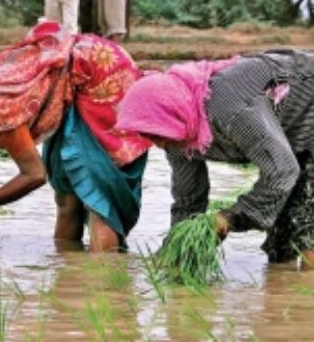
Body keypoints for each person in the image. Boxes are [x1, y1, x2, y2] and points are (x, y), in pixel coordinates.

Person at [0, 21, 150, 252]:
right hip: (67, 83)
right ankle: (70, 278)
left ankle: (103, 284)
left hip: (100, 74)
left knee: (97, 198)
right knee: (67, 197)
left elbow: (34, 175)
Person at [115, 50, 314, 270]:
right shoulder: (178, 133)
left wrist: (228, 219)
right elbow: (188, 200)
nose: (158, 144)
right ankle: (281, 298)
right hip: (292, 134)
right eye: (148, 136)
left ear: (170, 114)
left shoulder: (230, 110)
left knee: (307, 230)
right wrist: (175, 249)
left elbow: (282, 172)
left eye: (157, 135)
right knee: (281, 240)